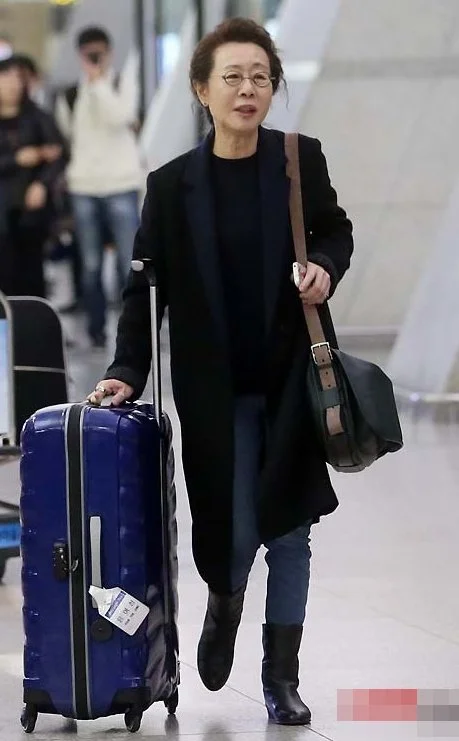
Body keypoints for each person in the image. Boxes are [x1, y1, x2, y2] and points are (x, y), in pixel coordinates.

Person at [88, 17, 353, 726]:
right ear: (202, 90)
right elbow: (143, 289)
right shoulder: (172, 186)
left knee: (291, 530)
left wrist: (325, 268)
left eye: (260, 77)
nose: (247, 89)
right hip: (216, 393)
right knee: (233, 535)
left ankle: (280, 678)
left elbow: (335, 229)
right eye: (232, 77)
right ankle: (226, 597)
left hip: (292, 382)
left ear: (273, 88)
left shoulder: (298, 160)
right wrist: (126, 368)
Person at [56, 26, 143, 348]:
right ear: (80, 55)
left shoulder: (122, 83)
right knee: (90, 265)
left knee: (128, 262)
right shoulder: (69, 94)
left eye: (99, 53)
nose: (94, 59)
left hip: (121, 182)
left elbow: (120, 117)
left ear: (109, 53)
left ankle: (132, 332)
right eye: (89, 54)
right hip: (84, 185)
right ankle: (95, 330)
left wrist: (99, 84)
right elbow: (68, 135)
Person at [0, 55, 67, 297]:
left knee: (31, 273)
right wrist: (17, 159)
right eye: (6, 78)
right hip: (2, 208)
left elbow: (59, 153)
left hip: (31, 208)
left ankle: (33, 317)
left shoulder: (37, 116)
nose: (13, 84)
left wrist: (42, 184)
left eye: (18, 78)